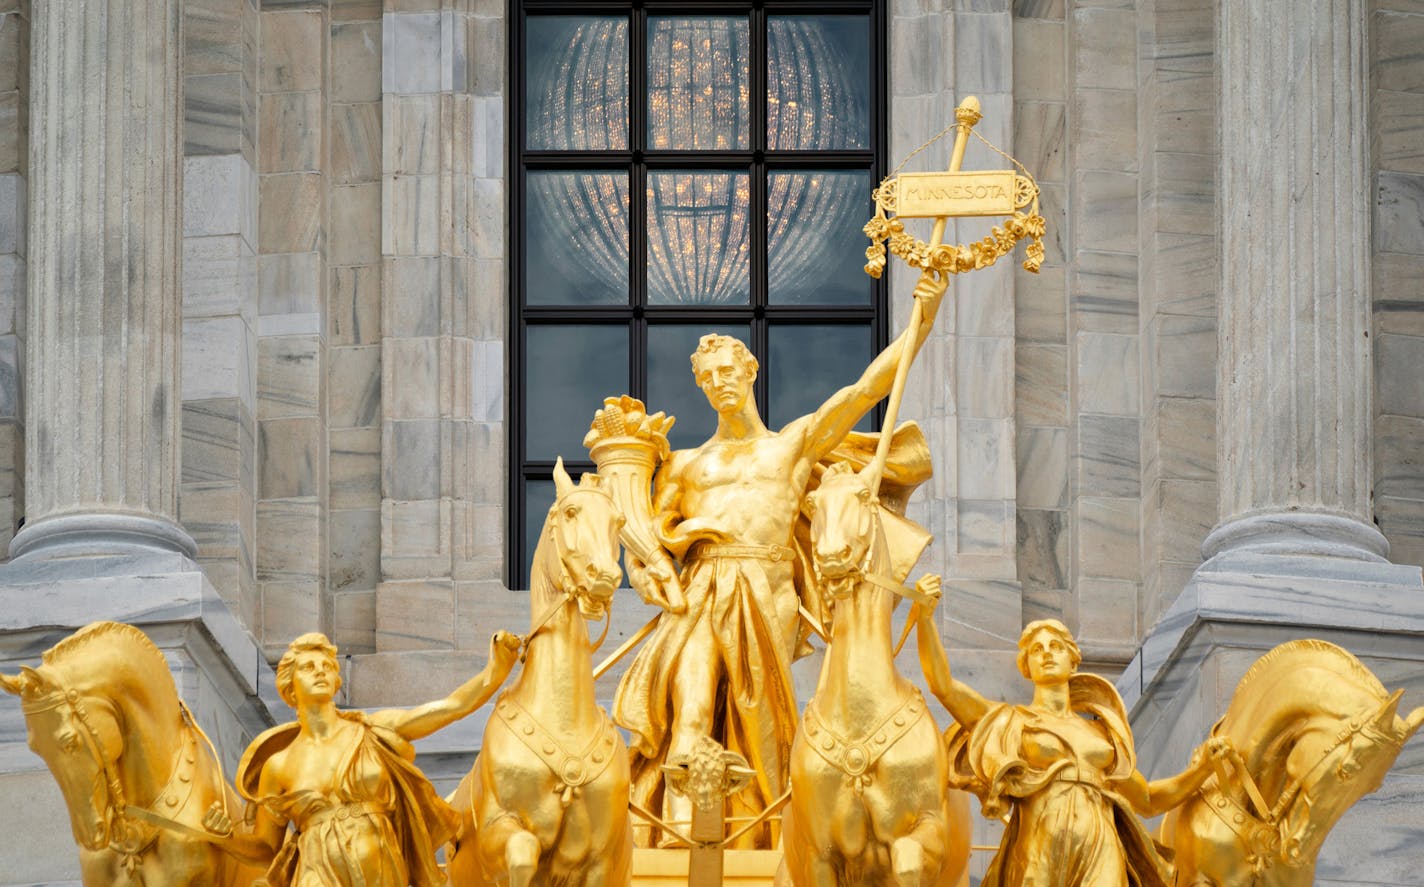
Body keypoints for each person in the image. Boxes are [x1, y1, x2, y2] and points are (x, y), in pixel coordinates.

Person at [614, 274, 947, 848]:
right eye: (707, 376)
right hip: (700, 589)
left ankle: (764, 828)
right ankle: (680, 835)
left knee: (758, 717)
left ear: (750, 373)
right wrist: (648, 577)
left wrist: (924, 319)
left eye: (728, 372)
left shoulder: (791, 445)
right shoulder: (686, 465)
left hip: (768, 587)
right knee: (689, 708)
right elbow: (642, 539)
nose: (719, 383)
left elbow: (867, 389)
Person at [916, 613, 1227, 887]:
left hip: (1101, 841)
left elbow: (1147, 799)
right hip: (1040, 840)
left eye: (1056, 647)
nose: (1046, 654)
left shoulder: (1100, 734)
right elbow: (943, 686)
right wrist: (926, 618)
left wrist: (1201, 771)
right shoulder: (1013, 722)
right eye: (1036, 650)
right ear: (1026, 666)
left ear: (1073, 659)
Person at [204, 630, 522, 886]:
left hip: (378, 859)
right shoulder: (279, 764)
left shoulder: (373, 729)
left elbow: (449, 708)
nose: (321, 672)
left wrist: (495, 673)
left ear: (337, 681)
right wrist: (226, 837)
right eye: (309, 667)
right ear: (289, 685)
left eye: (327, 666)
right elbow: (265, 848)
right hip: (317, 866)